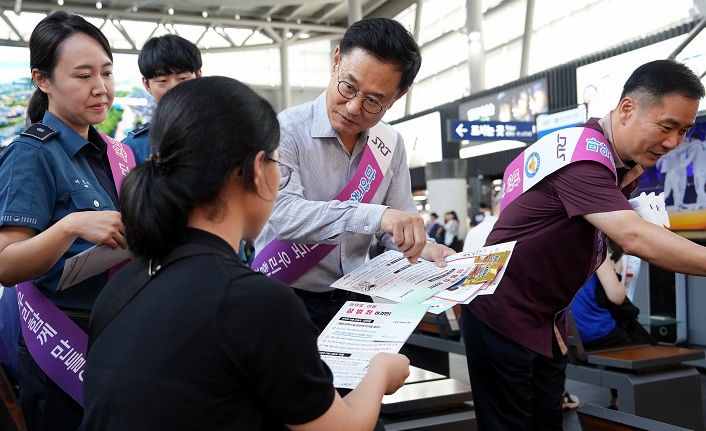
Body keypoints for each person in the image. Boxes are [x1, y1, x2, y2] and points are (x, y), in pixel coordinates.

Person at [82, 76, 410, 431]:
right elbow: (340, 428)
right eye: (277, 163)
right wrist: (379, 371)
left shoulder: (120, 290)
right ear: (259, 170)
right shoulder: (258, 304)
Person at [461, 59, 706, 431]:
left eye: (684, 131)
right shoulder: (583, 157)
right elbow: (633, 236)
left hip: (546, 319)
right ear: (627, 109)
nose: (673, 143)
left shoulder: (613, 161)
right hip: (502, 315)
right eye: (667, 126)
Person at [254, 17, 453, 331]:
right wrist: (374, 215)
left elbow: (395, 227)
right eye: (348, 87)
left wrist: (421, 246)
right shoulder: (285, 130)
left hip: (353, 299)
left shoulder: (389, 144)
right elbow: (282, 214)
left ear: (396, 98)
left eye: (374, 101)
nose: (353, 108)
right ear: (336, 61)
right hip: (283, 294)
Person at [0, 12, 128, 431]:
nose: (101, 88)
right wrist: (70, 225)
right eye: (83, 75)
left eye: (107, 73)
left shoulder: (115, 153)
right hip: (63, 343)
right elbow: (7, 264)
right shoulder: (32, 154)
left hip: (120, 337)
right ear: (42, 80)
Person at [571, 252, 654, 410]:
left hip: (572, 335)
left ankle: (618, 399)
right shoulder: (596, 250)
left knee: (625, 334)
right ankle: (622, 400)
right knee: (637, 340)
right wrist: (614, 271)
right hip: (596, 332)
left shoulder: (557, 251)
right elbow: (617, 297)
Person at [122, 34, 202, 163]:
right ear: (147, 85)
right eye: (162, 81)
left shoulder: (224, 135)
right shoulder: (132, 149)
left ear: (198, 77)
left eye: (183, 79)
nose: (174, 88)